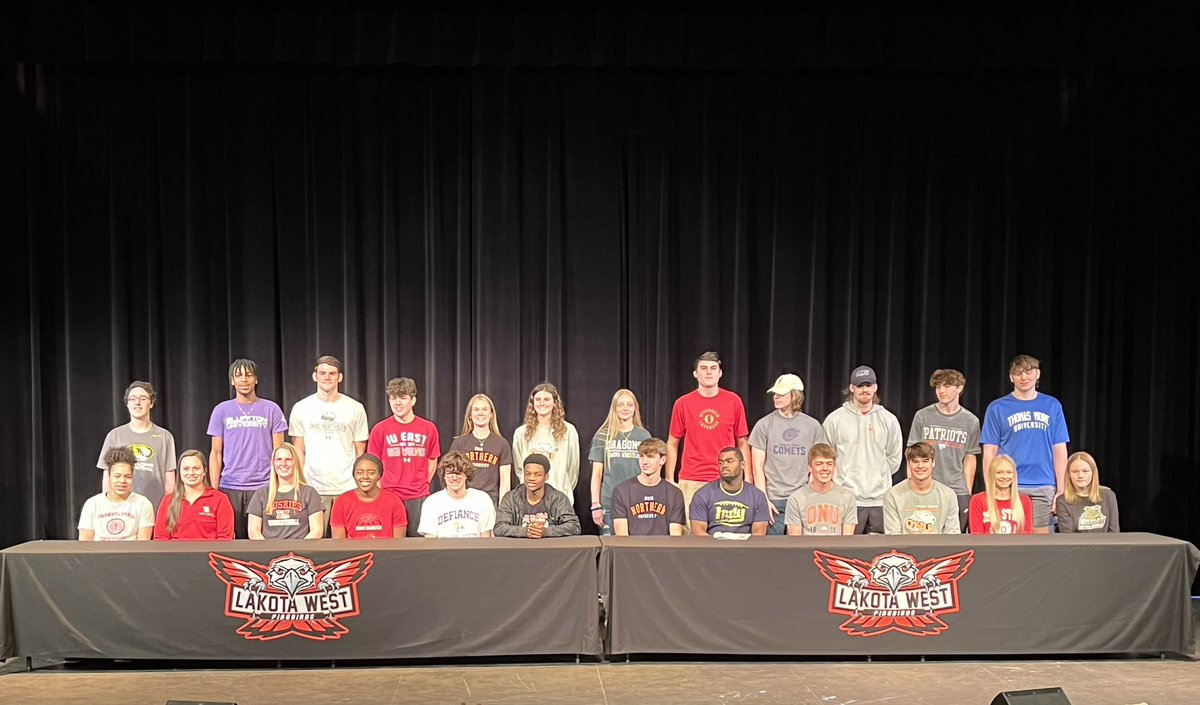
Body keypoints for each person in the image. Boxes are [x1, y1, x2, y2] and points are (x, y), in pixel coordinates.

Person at [981, 354, 1070, 534]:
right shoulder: (997, 408)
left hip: (1043, 485)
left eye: (1028, 372)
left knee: (1041, 545)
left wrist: (1061, 489)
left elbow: (1060, 450)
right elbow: (989, 452)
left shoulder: (1052, 405)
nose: (1024, 377)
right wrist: (990, 488)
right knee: (1010, 541)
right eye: (1018, 373)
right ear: (1011, 377)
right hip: (1008, 485)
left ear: (1038, 374)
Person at [287, 355, 368, 533]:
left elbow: (359, 452)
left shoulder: (355, 408)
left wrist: (357, 483)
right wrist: (301, 484)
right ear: (315, 376)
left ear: (340, 377)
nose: (327, 377)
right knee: (315, 545)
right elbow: (298, 450)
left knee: (347, 544)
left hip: (347, 486)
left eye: (332, 373)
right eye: (322, 373)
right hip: (313, 486)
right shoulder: (301, 408)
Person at [207, 359, 287, 539]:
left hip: (264, 486)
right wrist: (214, 490)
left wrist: (279, 484)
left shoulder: (271, 409)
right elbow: (216, 453)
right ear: (232, 381)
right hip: (230, 486)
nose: (244, 379)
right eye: (238, 375)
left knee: (262, 540)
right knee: (232, 540)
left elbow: (279, 452)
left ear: (256, 380)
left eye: (248, 375)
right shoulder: (221, 410)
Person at [667, 352, 751, 522]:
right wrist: (669, 478)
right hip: (691, 480)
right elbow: (672, 443)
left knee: (726, 533)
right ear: (695, 374)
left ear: (720, 373)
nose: (708, 372)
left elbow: (742, 442)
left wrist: (746, 476)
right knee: (691, 536)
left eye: (713, 368)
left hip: (727, 479)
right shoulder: (683, 403)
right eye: (703, 368)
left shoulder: (733, 401)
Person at [823, 365, 903, 534]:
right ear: (852, 388)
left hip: (881, 501)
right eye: (860, 385)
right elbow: (826, 458)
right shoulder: (834, 420)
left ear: (875, 387)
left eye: (868, 385)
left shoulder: (888, 419)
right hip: (846, 499)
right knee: (846, 554)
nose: (865, 389)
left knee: (879, 555)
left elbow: (895, 458)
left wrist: (879, 476)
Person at [749, 373, 829, 534]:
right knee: (773, 552)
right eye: (775, 394)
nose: (776, 397)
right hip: (773, 499)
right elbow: (757, 465)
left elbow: (819, 462)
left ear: (795, 395)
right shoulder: (764, 424)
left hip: (802, 498)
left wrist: (811, 494)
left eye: (781, 394)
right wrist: (763, 498)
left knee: (800, 552)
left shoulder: (812, 426)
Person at [908, 369, 981, 533]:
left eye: (947, 386)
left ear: (960, 388)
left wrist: (967, 491)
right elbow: (912, 455)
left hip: (957, 490)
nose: (942, 391)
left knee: (955, 539)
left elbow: (970, 457)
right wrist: (912, 486)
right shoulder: (922, 416)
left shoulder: (971, 421)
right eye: (938, 387)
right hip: (927, 487)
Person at [367, 377, 441, 537]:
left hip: (418, 498)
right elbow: (373, 464)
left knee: (419, 546)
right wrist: (381, 490)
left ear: (413, 400)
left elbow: (432, 461)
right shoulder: (379, 429)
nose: (397, 402)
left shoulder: (428, 428)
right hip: (388, 495)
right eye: (393, 398)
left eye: (403, 397)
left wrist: (421, 484)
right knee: (389, 546)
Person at [96, 381, 177, 511]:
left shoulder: (165, 437)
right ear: (127, 404)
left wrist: (168, 510)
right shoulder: (115, 435)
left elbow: (170, 481)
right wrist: (108, 507)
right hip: (122, 510)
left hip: (155, 510)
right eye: (132, 399)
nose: (137, 402)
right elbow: (107, 476)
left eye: (143, 398)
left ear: (151, 403)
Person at [588, 389, 652, 535]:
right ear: (614, 408)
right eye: (621, 405)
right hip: (609, 503)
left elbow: (650, 471)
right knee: (610, 550)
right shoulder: (603, 435)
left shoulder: (643, 435)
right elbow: (597, 474)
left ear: (635, 408)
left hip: (637, 502)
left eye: (629, 405)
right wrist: (596, 505)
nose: (625, 408)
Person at [511, 383, 580, 495]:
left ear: (555, 403)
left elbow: (573, 468)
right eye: (538, 399)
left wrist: (563, 492)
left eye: (546, 399)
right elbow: (519, 469)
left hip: (560, 497)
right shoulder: (521, 433)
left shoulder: (569, 431)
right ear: (532, 403)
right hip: (530, 499)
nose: (542, 403)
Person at [610, 438, 686, 536]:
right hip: (633, 550)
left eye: (650, 457)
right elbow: (621, 535)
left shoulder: (674, 493)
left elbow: (675, 536)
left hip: (664, 550)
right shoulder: (622, 491)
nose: (644, 462)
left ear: (662, 460)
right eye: (641, 456)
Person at [247, 442, 324, 540]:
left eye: (288, 459)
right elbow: (253, 530)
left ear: (295, 462)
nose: (283, 463)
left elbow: (317, 530)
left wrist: (300, 550)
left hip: (300, 552)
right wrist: (267, 551)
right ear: (273, 463)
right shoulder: (261, 494)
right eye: (279, 459)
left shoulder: (310, 493)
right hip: (268, 552)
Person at [447, 393, 513, 506]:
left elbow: (505, 482)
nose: (481, 413)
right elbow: (451, 476)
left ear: (491, 414)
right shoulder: (459, 443)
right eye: (476, 409)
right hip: (464, 501)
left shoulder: (502, 443)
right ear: (470, 415)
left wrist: (502, 510)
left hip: (490, 502)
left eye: (485, 409)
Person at [153, 450, 235, 540]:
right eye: (186, 469)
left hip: (209, 553)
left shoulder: (220, 499)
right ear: (179, 472)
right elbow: (160, 538)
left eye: (196, 468)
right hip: (175, 553)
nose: (191, 473)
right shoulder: (168, 500)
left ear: (204, 471)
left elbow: (225, 538)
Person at [494, 454, 581, 538]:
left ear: (546, 477)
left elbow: (574, 526)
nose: (531, 478)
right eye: (527, 474)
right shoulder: (511, 498)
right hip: (519, 550)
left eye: (537, 474)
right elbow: (499, 527)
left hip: (549, 549)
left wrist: (546, 531)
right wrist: (525, 531)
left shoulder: (558, 499)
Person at [688, 447, 769, 537]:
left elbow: (758, 535)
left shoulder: (758, 496)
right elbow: (698, 532)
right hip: (712, 547)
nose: (724, 465)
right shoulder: (702, 495)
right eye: (720, 462)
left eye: (729, 461)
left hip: (745, 548)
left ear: (742, 464)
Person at [883, 442, 960, 535]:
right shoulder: (892, 495)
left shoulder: (948, 495)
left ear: (933, 462)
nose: (920, 466)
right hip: (904, 549)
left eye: (925, 460)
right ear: (908, 464)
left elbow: (952, 535)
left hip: (939, 549)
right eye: (915, 461)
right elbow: (893, 535)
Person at [78, 447, 155, 541]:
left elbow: (143, 545)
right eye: (117, 476)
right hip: (99, 555)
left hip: (131, 555)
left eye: (127, 476)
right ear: (109, 476)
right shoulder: (92, 504)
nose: (122, 481)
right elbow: (85, 545)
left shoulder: (143, 504)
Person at [417, 451, 496, 538]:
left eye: (458, 473)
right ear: (444, 476)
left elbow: (486, 539)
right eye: (450, 473)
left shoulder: (482, 500)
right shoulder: (431, 503)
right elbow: (430, 541)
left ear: (466, 475)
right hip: (443, 550)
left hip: (474, 550)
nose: (454, 478)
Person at [784, 443, 857, 535]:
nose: (825, 468)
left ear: (834, 467)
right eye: (819, 464)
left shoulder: (848, 497)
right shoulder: (796, 499)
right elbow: (795, 542)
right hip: (807, 549)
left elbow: (848, 541)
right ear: (810, 468)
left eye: (829, 464)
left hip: (836, 549)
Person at [330, 453, 408, 539]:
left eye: (371, 473)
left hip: (386, 552)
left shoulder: (394, 502)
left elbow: (398, 542)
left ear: (379, 475)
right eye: (359, 472)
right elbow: (339, 544)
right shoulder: (342, 502)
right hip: (353, 552)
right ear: (354, 475)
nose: (365, 476)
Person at [1056, 451, 1120, 533]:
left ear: (1093, 473)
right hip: (1076, 545)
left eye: (1085, 471)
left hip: (1105, 545)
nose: (1080, 476)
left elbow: (1114, 532)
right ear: (1069, 474)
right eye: (1075, 471)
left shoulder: (1108, 496)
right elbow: (1068, 537)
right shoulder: (1062, 501)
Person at [968, 455, 1033, 534]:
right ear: (992, 474)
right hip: (987, 546)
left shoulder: (1024, 501)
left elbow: (1027, 533)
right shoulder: (977, 500)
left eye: (1009, 472)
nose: (1004, 477)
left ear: (1014, 475)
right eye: (999, 472)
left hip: (1016, 546)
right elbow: (976, 534)